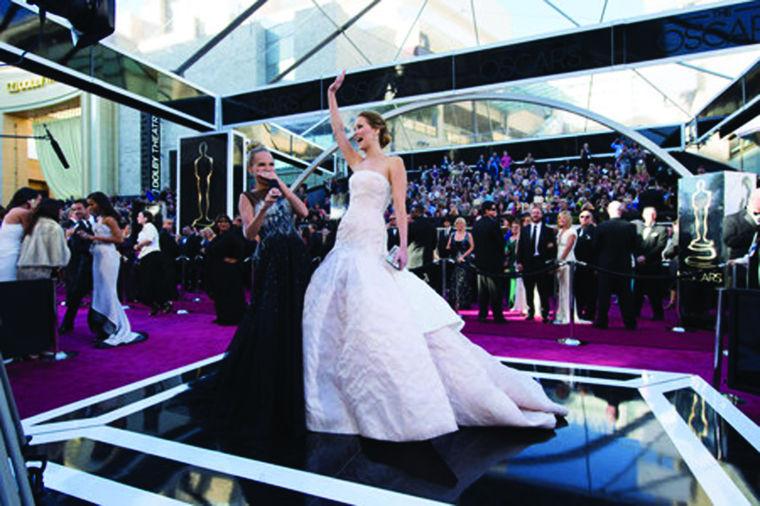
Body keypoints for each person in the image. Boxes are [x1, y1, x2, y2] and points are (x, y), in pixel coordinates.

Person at [303, 71, 567, 443]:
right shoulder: (355, 162)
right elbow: (335, 132)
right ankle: (346, 390)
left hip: (372, 237)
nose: (355, 131)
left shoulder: (392, 163)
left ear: (377, 130)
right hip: (346, 237)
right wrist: (331, 95)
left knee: (379, 309)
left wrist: (403, 247)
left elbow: (399, 206)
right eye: (355, 127)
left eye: (360, 126)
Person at [212, 146, 309, 437]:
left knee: (298, 315)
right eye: (262, 165)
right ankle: (269, 381)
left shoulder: (282, 188)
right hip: (271, 260)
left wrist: (282, 186)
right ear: (252, 169)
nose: (267, 168)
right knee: (269, 318)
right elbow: (249, 234)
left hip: (295, 257)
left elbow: (303, 212)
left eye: (271, 164)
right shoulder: (247, 196)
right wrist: (265, 205)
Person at [83, 192, 148, 348]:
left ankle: (117, 327)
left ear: (100, 203)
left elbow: (119, 239)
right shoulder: (99, 219)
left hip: (108, 256)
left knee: (109, 291)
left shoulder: (109, 219)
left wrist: (93, 238)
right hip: (98, 255)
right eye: (89, 204)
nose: (90, 207)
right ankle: (107, 327)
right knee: (101, 291)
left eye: (92, 204)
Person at [593, 201, 637, 330]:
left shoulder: (601, 226)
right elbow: (633, 246)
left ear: (608, 211)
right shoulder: (630, 227)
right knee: (626, 296)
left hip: (605, 266)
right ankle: (629, 322)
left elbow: (595, 247)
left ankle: (601, 321)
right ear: (621, 211)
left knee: (603, 295)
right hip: (624, 266)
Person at [59, 199, 94, 334]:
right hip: (75, 265)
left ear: (86, 209)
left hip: (90, 264)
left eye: (79, 208)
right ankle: (67, 324)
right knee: (74, 297)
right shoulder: (66, 225)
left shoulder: (90, 224)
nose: (76, 212)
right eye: (73, 209)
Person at [517, 205, 556, 323]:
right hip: (527, 264)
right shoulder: (524, 230)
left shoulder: (549, 230)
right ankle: (530, 312)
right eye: (533, 213)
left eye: (538, 213)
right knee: (528, 290)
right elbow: (521, 247)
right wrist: (519, 262)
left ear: (542, 215)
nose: (535, 215)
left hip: (542, 264)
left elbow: (553, 249)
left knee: (543, 290)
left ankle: (545, 313)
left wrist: (550, 264)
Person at [205, 214, 245, 325]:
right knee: (220, 294)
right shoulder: (217, 237)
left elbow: (241, 248)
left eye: (226, 221)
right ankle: (222, 316)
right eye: (220, 222)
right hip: (217, 271)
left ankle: (232, 318)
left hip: (229, 271)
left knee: (230, 294)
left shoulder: (233, 235)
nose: (223, 224)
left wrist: (235, 260)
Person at [17, 198, 70, 280]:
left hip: (23, 269)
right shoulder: (53, 227)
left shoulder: (33, 224)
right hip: (42, 271)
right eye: (60, 209)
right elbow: (58, 256)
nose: (61, 212)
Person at [472, 201, 506, 322]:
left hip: (480, 262)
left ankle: (482, 315)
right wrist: (503, 259)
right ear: (486, 210)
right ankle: (498, 316)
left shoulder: (476, 224)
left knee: (483, 291)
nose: (494, 212)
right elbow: (500, 243)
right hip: (494, 263)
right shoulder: (493, 224)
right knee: (495, 291)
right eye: (492, 209)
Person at [134, 210, 171, 316]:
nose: (137, 218)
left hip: (152, 257)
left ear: (145, 218)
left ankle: (163, 302)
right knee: (147, 283)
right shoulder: (143, 229)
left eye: (139, 216)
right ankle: (156, 303)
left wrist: (138, 246)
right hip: (145, 257)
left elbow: (149, 240)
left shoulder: (150, 226)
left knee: (152, 281)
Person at [634, 207, 667, 320]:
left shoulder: (661, 229)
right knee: (637, 291)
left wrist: (646, 257)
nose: (649, 217)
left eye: (651, 214)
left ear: (655, 216)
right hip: (639, 265)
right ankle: (635, 312)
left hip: (653, 266)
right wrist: (637, 256)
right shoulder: (637, 228)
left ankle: (658, 315)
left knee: (654, 293)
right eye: (647, 214)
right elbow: (633, 243)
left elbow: (660, 246)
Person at [722, 188, 760, 289]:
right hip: (739, 270)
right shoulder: (732, 219)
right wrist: (754, 234)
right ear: (752, 200)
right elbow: (728, 240)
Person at [0, 188, 40, 282]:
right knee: (9, 280)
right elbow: (31, 231)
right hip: (11, 252)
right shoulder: (23, 212)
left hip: (6, 249)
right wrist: (33, 210)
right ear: (30, 201)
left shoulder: (14, 210)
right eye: (38, 201)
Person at [553, 211, 577, 325]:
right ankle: (561, 314)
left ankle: (568, 315)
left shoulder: (572, 231)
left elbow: (568, 246)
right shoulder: (560, 231)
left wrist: (560, 260)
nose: (561, 220)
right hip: (559, 261)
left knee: (567, 289)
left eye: (563, 218)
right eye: (559, 218)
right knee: (561, 289)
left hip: (567, 261)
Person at [446, 217, 474, 310]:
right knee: (454, 281)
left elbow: (472, 247)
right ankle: (454, 302)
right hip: (454, 260)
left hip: (465, 260)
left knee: (462, 281)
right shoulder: (452, 234)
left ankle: (462, 303)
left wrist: (463, 256)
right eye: (458, 224)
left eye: (462, 224)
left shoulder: (468, 235)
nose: (460, 226)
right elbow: (448, 246)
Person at [574, 209, 597, 321]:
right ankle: (578, 312)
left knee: (591, 292)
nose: (584, 219)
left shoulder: (596, 231)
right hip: (577, 267)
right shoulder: (576, 231)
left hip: (591, 267)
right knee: (578, 291)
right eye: (582, 217)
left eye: (587, 217)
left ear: (591, 219)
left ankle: (589, 314)